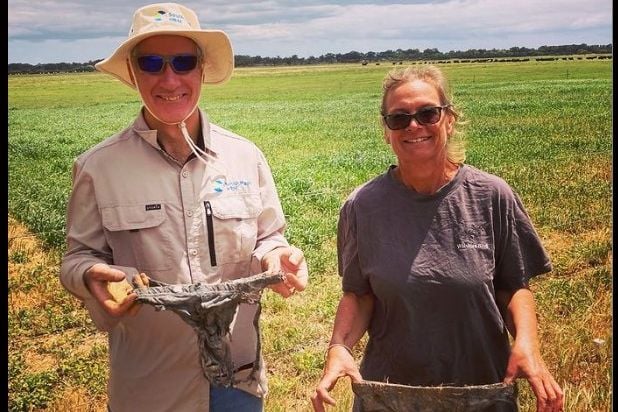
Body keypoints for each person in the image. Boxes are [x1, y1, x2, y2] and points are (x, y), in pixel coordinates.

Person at [59, 3, 308, 411]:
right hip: (150, 385)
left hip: (237, 380)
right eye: (152, 62)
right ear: (134, 74)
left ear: (202, 70)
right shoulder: (97, 167)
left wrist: (279, 258)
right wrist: (89, 275)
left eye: (184, 61)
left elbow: (268, 237)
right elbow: (76, 259)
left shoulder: (245, 156)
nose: (170, 78)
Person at [311, 65, 564, 412]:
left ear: (449, 119)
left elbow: (514, 286)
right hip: (391, 395)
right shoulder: (362, 207)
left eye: (428, 113)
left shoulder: (491, 196)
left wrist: (528, 344)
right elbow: (359, 293)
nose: (414, 126)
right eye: (399, 118)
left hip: (481, 393)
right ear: (386, 131)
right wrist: (339, 347)